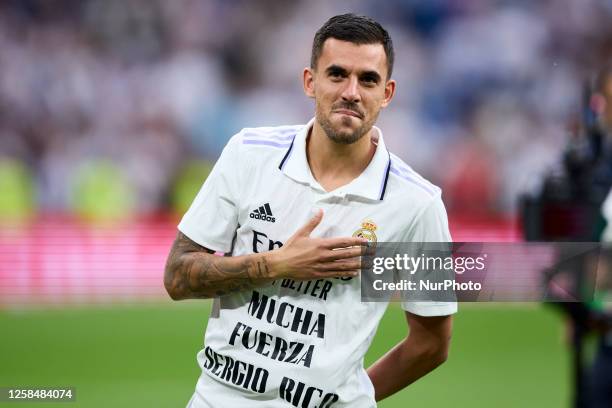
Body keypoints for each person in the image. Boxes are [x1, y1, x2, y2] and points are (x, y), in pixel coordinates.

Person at [164, 13, 455, 408]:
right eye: (336, 74)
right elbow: (178, 277)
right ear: (310, 81)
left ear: (386, 93)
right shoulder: (248, 154)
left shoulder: (419, 204)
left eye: (367, 79)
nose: (351, 91)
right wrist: (275, 265)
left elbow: (431, 343)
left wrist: (348, 398)